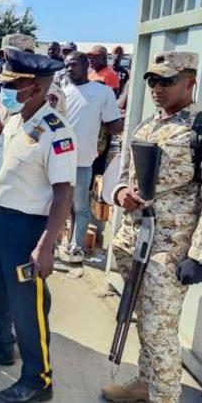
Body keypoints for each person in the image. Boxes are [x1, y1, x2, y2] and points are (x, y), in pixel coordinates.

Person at [0, 48, 75, 403]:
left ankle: (38, 379)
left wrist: (46, 244)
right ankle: (0, 346)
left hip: (27, 229)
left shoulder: (57, 130)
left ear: (38, 87)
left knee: (28, 308)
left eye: (14, 84)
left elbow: (63, 193)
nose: (5, 89)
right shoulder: (13, 118)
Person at [102, 52, 202, 403]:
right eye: (152, 81)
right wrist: (120, 193)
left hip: (170, 250)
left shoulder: (198, 129)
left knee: (161, 332)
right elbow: (123, 175)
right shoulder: (146, 125)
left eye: (167, 81)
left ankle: (164, 397)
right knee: (144, 322)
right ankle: (146, 384)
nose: (157, 88)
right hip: (134, 240)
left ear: (190, 81)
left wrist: (197, 255)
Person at [60, 52, 123, 263]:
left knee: (80, 207)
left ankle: (76, 248)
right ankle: (53, 245)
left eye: (74, 65)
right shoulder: (62, 92)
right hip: (58, 161)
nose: (69, 69)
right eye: (67, 66)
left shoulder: (103, 92)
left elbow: (113, 124)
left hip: (82, 161)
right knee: (57, 205)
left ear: (86, 65)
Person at [0, 34, 67, 121]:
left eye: (12, 56)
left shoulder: (50, 93)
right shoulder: (7, 88)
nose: (6, 62)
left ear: (28, 55)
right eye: (3, 58)